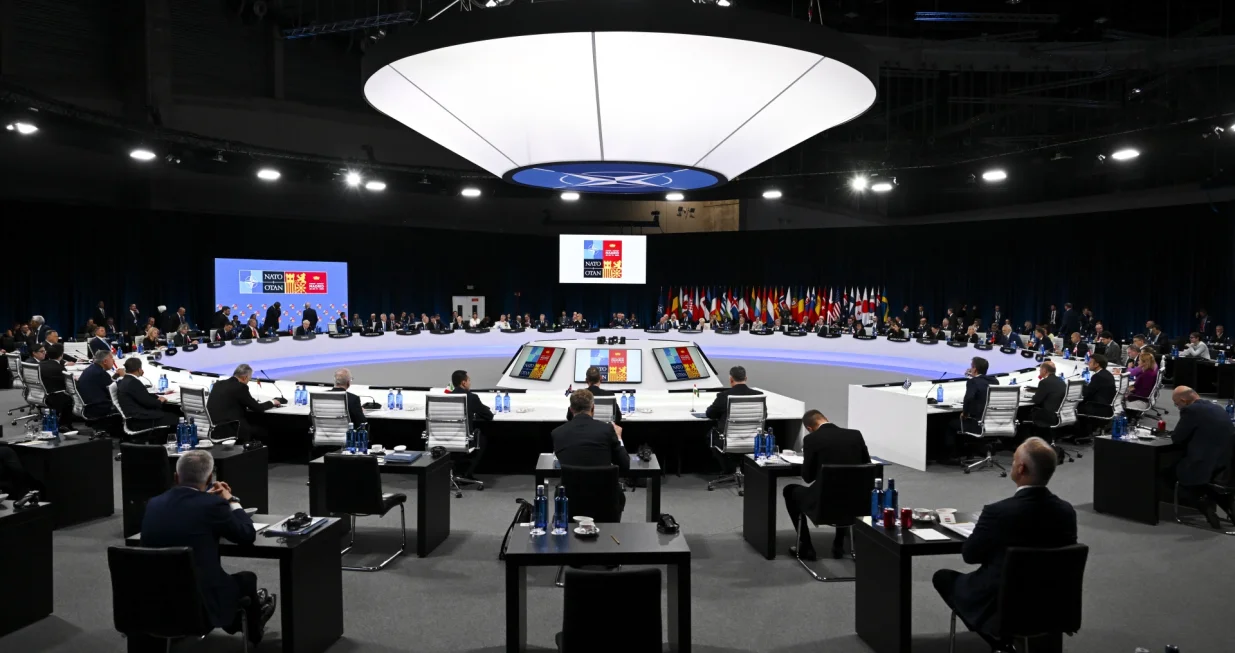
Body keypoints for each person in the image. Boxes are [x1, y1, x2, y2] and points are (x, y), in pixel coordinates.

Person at [932, 437, 1077, 648]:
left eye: (1014, 459)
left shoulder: (998, 512)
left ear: (1021, 468)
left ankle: (1000, 642)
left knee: (943, 578)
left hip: (1002, 602)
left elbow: (970, 555)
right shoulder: (1066, 512)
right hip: (1050, 601)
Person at [140, 450, 277, 645]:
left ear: (176, 477)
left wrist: (207, 499)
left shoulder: (153, 504)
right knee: (247, 579)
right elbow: (247, 534)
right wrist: (231, 500)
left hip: (154, 599)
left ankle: (237, 620)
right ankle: (252, 630)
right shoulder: (213, 506)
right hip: (199, 604)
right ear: (210, 478)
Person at [782, 410, 870, 560]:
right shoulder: (855, 435)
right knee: (844, 487)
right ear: (826, 419)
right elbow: (866, 465)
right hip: (854, 503)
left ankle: (806, 546)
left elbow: (807, 478)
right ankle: (839, 544)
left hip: (824, 504)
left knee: (789, 490)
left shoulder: (811, 439)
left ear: (809, 428)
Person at [552, 390, 630, 512]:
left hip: (571, 502)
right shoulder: (607, 430)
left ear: (571, 409)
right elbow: (625, 465)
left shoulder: (557, 433)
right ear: (593, 408)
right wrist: (619, 438)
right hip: (606, 501)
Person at [1169, 387, 1235, 528]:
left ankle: (1205, 505)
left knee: (1171, 471)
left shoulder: (1191, 411)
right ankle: (1228, 506)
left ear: (1184, 401)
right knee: (1215, 488)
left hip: (1205, 465)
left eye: (1176, 403)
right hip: (1226, 465)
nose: (1177, 407)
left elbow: (1177, 438)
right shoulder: (1218, 408)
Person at [206, 364, 281, 443]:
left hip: (214, 430)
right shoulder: (241, 387)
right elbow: (258, 408)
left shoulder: (217, 384)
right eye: (249, 379)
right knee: (265, 431)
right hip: (233, 430)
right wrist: (272, 402)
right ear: (245, 377)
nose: (248, 381)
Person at [943, 357, 998, 462]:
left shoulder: (972, 382)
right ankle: (968, 453)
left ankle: (950, 456)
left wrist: (965, 413)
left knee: (951, 423)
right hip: (992, 422)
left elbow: (968, 398)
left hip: (977, 424)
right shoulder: (994, 381)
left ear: (975, 369)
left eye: (971, 367)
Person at [445, 370, 493, 479]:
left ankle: (456, 471)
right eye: (469, 380)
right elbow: (488, 416)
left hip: (446, 438)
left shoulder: (447, 398)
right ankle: (467, 473)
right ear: (463, 383)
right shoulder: (472, 397)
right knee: (482, 439)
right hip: (464, 439)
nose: (470, 383)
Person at [116, 357, 179, 435]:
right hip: (139, 421)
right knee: (175, 418)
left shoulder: (125, 380)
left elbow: (142, 395)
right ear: (139, 369)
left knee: (168, 414)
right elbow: (149, 403)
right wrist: (160, 401)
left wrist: (159, 396)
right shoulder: (133, 382)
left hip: (134, 418)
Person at [78, 350, 121, 421]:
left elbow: (105, 383)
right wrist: (124, 378)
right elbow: (116, 391)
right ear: (105, 361)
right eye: (111, 358)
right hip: (99, 407)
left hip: (88, 405)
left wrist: (116, 376)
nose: (113, 361)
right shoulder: (101, 373)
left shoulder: (91, 369)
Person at [1029, 360, 1066, 442]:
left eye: (1040, 369)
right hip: (1059, 414)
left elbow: (1037, 400)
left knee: (1024, 412)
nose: (1039, 371)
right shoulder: (1061, 381)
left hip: (1048, 415)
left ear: (1044, 370)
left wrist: (1033, 396)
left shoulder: (1044, 382)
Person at [1078, 354, 1116, 432]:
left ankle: (1081, 432)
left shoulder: (1097, 377)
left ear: (1097, 364)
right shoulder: (1107, 373)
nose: (1088, 363)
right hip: (1107, 407)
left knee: (1075, 407)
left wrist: (1079, 389)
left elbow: (1087, 394)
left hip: (1099, 408)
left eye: (1090, 362)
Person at [39, 344, 74, 428]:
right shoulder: (60, 368)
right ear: (61, 355)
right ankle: (65, 425)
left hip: (42, 393)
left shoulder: (41, 364)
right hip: (54, 396)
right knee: (71, 397)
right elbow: (69, 385)